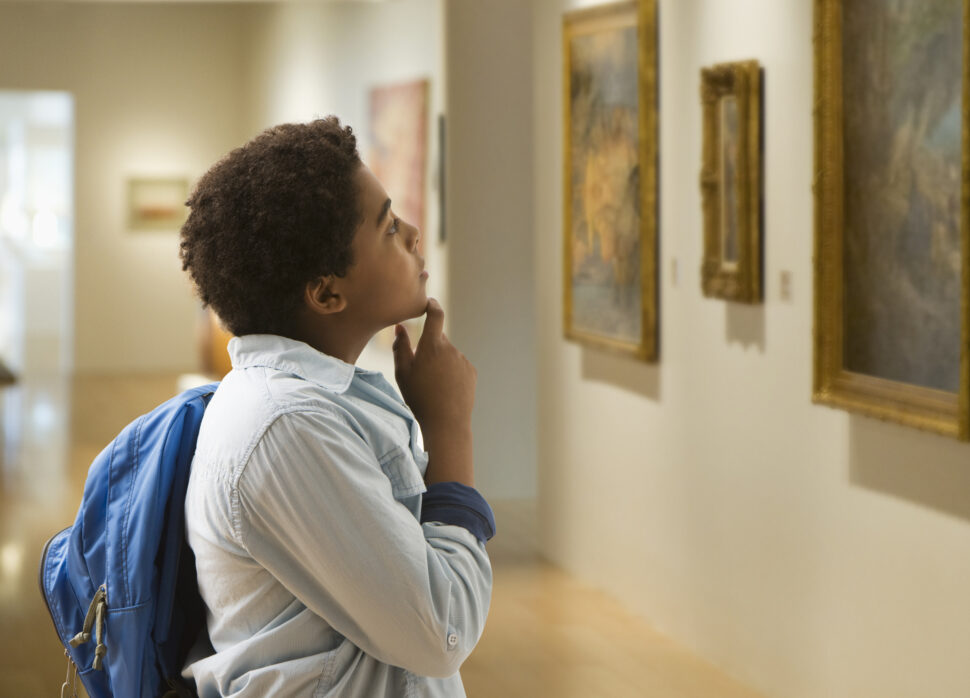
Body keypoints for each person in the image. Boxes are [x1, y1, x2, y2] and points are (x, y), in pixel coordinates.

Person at [177, 117, 495, 697]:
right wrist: (450, 432)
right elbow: (441, 631)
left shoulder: (305, 403)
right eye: (389, 227)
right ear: (326, 292)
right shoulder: (287, 425)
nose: (415, 234)